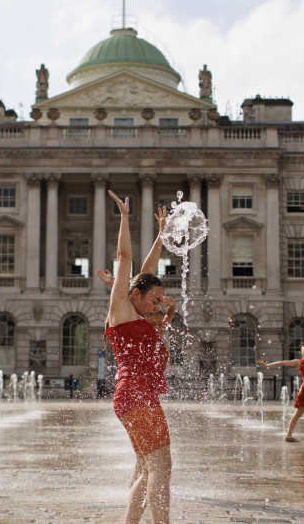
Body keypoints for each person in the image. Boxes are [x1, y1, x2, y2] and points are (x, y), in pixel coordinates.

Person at [104, 190, 172, 524]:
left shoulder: (136, 310)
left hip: (135, 394)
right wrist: (125, 218)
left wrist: (161, 235)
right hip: (135, 392)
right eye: (155, 299)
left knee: (147, 466)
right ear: (134, 295)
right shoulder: (121, 311)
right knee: (161, 466)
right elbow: (126, 259)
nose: (158, 305)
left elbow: (146, 270)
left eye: (161, 301)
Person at [257, 343, 304, 444]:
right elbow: (283, 362)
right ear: (301, 353)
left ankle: (288, 436)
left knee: (297, 415)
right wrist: (267, 365)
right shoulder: (299, 362)